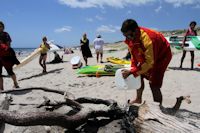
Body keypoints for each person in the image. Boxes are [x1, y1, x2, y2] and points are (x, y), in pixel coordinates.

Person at [121, 19, 172, 105]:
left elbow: (150, 63)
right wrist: (133, 69)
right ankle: (138, 99)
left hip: (162, 56)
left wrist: (132, 72)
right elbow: (134, 56)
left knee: (154, 83)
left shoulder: (149, 39)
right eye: (125, 36)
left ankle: (158, 107)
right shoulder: (131, 38)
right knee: (138, 76)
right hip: (148, 54)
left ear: (136, 30)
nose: (128, 38)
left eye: (129, 35)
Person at [0, 21, 20, 90]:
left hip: (6, 56)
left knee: (10, 72)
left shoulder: (6, 34)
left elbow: (8, 45)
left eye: (0, 26)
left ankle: (15, 83)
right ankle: (1, 88)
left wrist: (6, 52)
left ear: (3, 27)